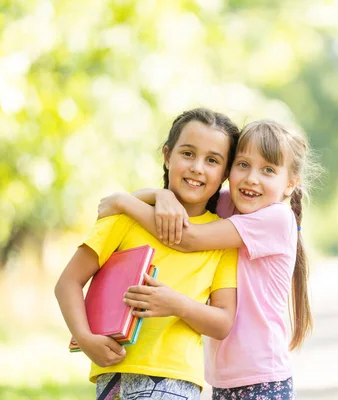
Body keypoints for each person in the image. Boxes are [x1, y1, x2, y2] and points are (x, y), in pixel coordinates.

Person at [98, 119, 321, 399]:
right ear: (229, 171)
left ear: (290, 184)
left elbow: (187, 239)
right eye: (243, 165)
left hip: (263, 377)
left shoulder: (277, 218)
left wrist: (123, 203)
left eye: (268, 170)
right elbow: (185, 201)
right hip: (222, 378)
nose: (252, 178)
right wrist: (160, 194)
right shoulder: (230, 204)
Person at [54, 107, 241, 399]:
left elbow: (223, 322)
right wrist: (85, 338)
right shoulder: (125, 216)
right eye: (188, 154)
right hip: (112, 372)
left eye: (212, 160)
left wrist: (177, 304)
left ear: (225, 173)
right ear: (167, 156)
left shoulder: (221, 238)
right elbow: (68, 282)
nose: (197, 168)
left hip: (173, 378)